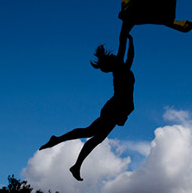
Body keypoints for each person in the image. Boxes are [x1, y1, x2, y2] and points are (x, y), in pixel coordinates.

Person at [39, 33, 135, 181]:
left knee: (89, 132)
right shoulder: (119, 68)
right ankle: (76, 165)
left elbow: (130, 57)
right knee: (96, 137)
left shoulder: (123, 68)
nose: (116, 56)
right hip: (115, 107)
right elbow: (124, 51)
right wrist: (125, 36)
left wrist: (130, 40)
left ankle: (57, 141)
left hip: (116, 108)